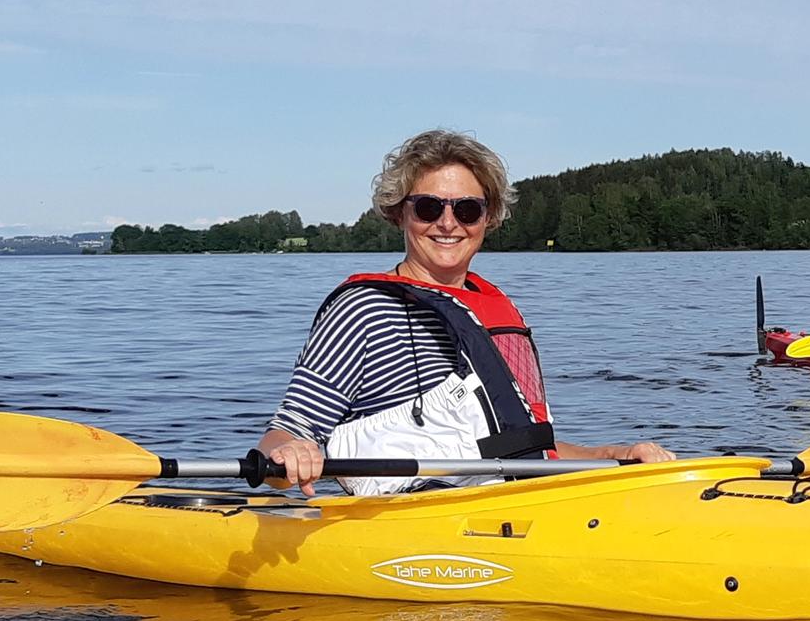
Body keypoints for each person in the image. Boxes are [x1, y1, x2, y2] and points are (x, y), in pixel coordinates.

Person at [258, 129, 675, 496]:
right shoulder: (362, 310)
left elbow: (519, 449)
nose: (447, 223)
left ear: (488, 218)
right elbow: (281, 437)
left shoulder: (494, 313)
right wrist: (290, 452)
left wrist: (612, 454)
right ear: (398, 212)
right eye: (428, 208)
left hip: (517, 511)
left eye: (467, 209)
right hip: (413, 521)